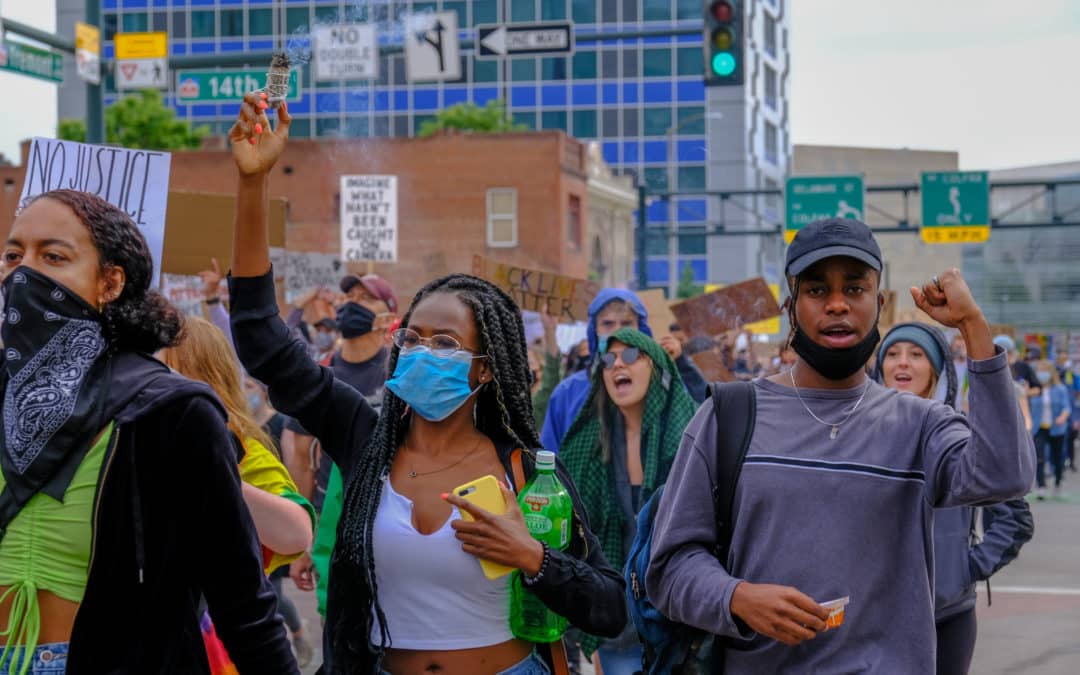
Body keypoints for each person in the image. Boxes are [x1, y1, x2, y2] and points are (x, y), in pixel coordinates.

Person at [227, 92, 626, 674]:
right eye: (411, 339)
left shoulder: (525, 470)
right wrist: (252, 185)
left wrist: (534, 557)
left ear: (485, 368)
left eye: (444, 344)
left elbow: (610, 606)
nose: (419, 353)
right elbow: (261, 338)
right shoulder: (364, 437)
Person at [646, 217, 1034, 674]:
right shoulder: (729, 416)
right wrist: (737, 598)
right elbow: (669, 568)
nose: (836, 305)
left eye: (854, 289)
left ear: (879, 301)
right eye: (816, 291)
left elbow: (1006, 474)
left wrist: (973, 327)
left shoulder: (920, 424)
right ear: (791, 307)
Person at [0, 189, 295, 673]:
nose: (23, 271)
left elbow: (242, 601)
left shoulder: (172, 412)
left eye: (53, 256)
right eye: (13, 254)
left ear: (110, 282)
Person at [874, 322, 1033, 675]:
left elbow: (1015, 517)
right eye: (893, 355)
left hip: (947, 617)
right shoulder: (858, 437)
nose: (902, 364)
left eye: (916, 355)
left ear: (935, 368)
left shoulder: (958, 436)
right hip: (874, 616)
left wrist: (965, 569)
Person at [158, 317, 316, 669]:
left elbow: (296, 533)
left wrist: (213, 470)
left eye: (162, 373)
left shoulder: (241, 450)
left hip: (217, 647)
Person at [559, 328, 697, 672]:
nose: (617, 364)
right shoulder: (586, 448)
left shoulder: (690, 437)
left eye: (632, 355)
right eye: (608, 358)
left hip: (681, 624)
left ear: (657, 367)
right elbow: (572, 544)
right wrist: (586, 632)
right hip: (616, 629)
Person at [541, 291, 707, 454]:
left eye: (626, 323)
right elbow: (551, 460)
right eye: (608, 324)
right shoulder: (567, 394)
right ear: (594, 331)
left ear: (641, 331)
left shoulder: (665, 386)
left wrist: (679, 364)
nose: (617, 331)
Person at [1029, 360, 1071, 498]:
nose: (1042, 374)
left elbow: (1067, 407)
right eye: (1039, 370)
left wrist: (1062, 417)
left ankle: (1058, 482)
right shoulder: (1034, 389)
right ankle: (1041, 485)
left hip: (1056, 428)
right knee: (1039, 456)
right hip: (1039, 427)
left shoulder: (1060, 389)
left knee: (1057, 457)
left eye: (1045, 370)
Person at [1056, 351, 1079, 472]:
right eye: (1061, 359)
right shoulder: (1055, 374)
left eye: (1065, 359)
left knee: (1071, 438)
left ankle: (1071, 461)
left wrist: (1076, 418)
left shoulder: (1071, 375)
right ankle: (1061, 463)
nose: (1064, 362)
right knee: (1061, 439)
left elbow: (1076, 394)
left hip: (1071, 412)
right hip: (1059, 413)